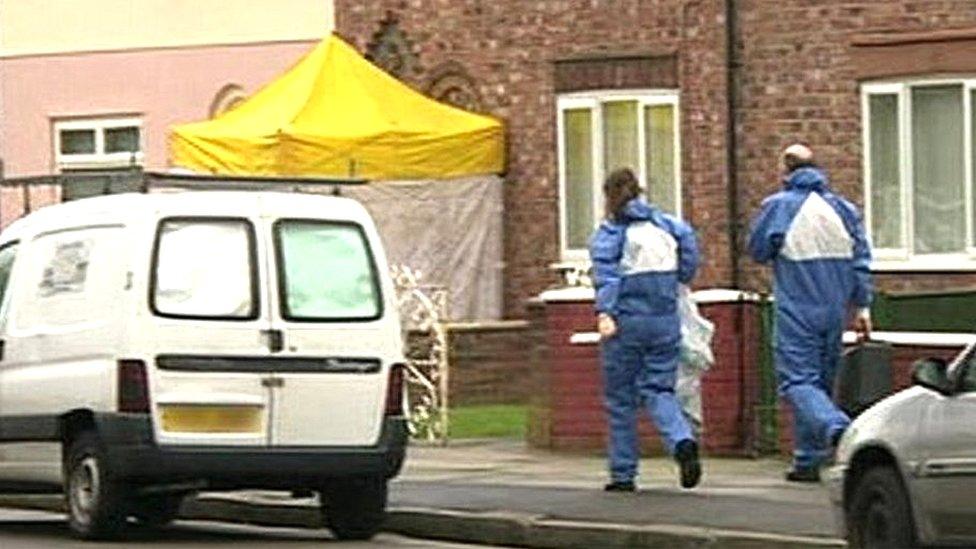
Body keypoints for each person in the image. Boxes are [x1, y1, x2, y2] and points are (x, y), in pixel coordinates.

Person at [748, 144, 873, 482]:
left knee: (797, 381)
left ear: (785, 171)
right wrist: (862, 307)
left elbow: (757, 249)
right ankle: (807, 460)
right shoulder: (844, 210)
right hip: (835, 309)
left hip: (797, 306)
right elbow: (861, 261)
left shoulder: (779, 207)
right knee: (820, 382)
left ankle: (839, 429)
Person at [589, 167, 702, 491]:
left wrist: (605, 313)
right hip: (665, 321)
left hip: (627, 324)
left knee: (621, 399)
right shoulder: (667, 225)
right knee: (659, 389)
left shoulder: (611, 233)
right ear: (640, 191)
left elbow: (608, 276)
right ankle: (681, 440)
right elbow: (690, 255)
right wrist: (679, 278)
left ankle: (623, 474)